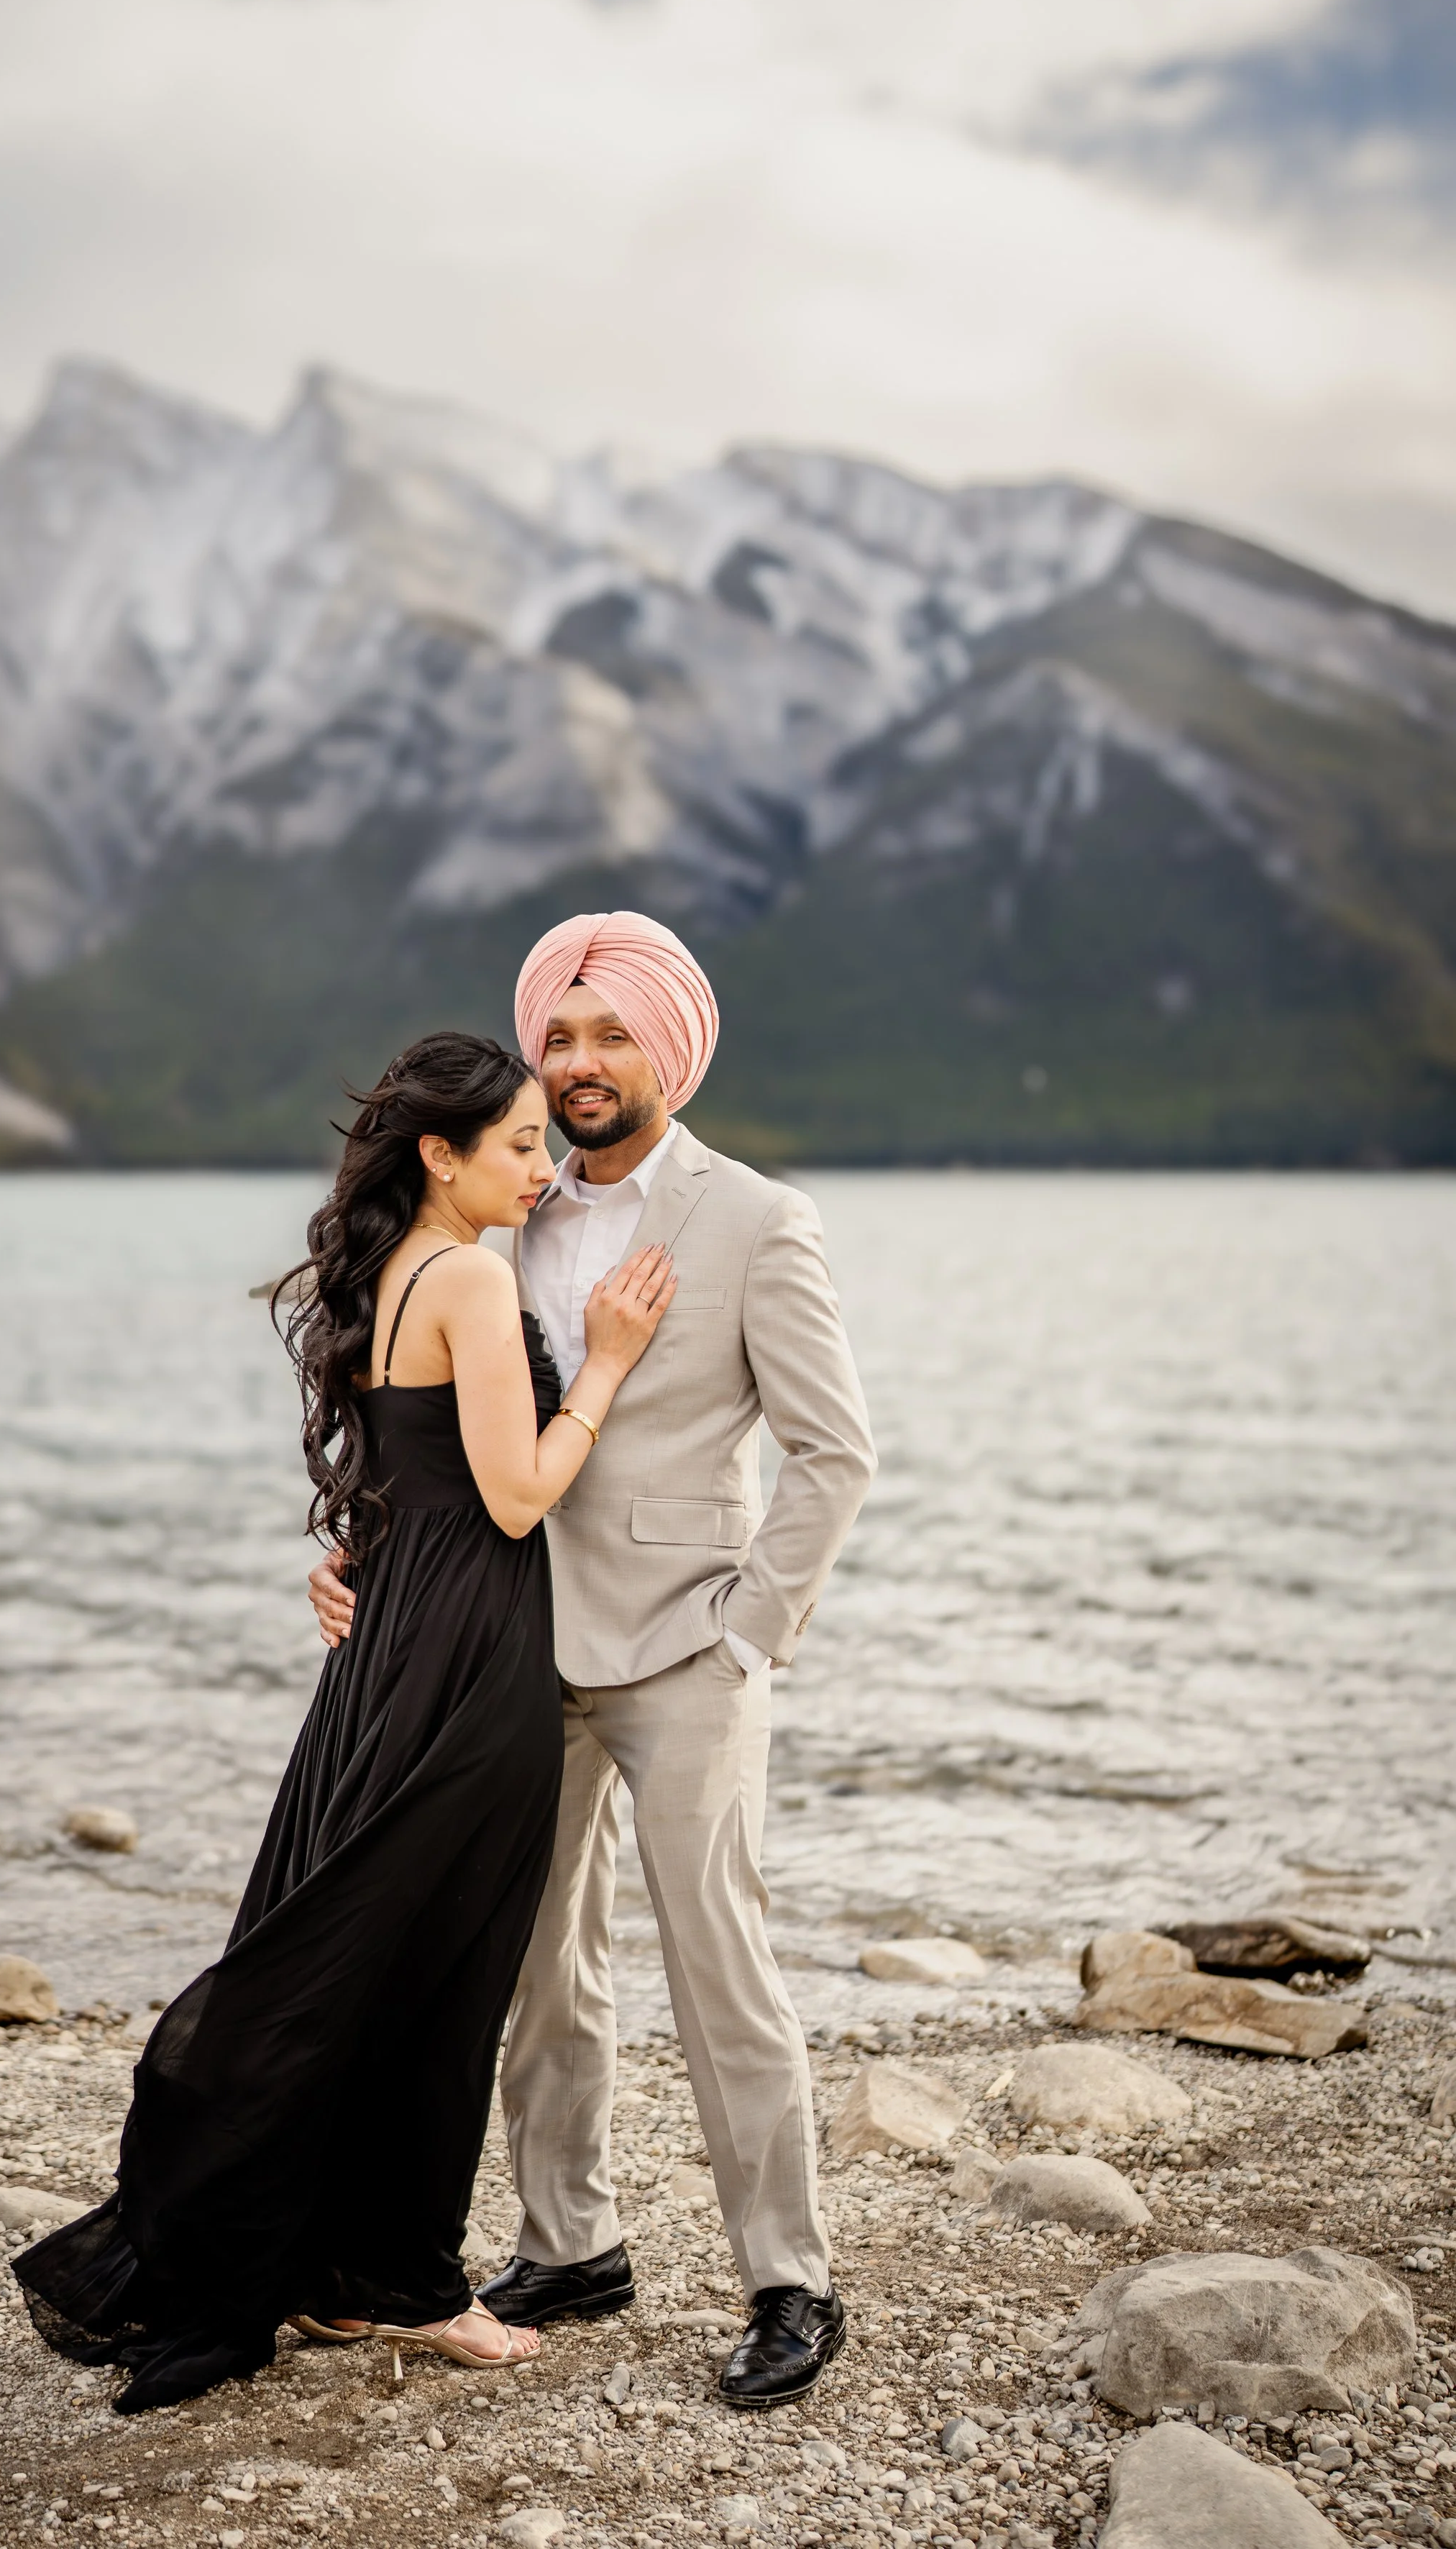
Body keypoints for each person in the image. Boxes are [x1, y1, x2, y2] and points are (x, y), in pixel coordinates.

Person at [14, 1031, 674, 2412]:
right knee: (442, 1965)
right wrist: (607, 1360)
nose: (541, 1167)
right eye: (516, 1146)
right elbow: (511, 1495)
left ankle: (341, 2272)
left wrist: (348, 1566)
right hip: (474, 1657)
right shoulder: (477, 1280)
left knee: (361, 1944)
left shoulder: (389, 1272)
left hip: (390, 1647)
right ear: (442, 1155)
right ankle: (409, 2285)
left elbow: (403, 1482)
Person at [311, 913, 876, 2409]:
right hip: (510, 1647)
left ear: (670, 1047)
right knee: (535, 1965)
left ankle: (787, 2279)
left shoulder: (756, 1221)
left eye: (609, 1033)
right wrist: (367, 1559)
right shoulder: (509, 1209)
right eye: (557, 1037)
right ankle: (571, 2242)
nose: (577, 1064)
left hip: (687, 1650)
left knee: (718, 1965)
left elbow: (834, 1457)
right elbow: (446, 1416)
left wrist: (747, 1635)